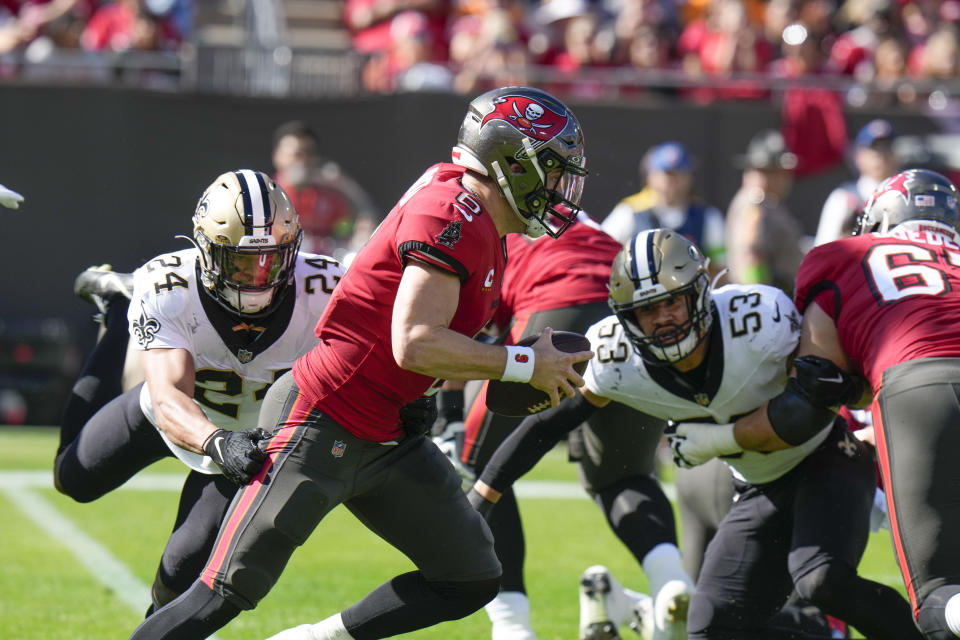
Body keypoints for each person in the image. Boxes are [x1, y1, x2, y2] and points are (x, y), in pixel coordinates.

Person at [127, 85, 594, 640]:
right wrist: (521, 363)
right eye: (554, 170)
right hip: (324, 421)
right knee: (220, 595)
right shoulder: (456, 217)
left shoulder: (472, 212)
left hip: (391, 430)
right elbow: (415, 342)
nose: (563, 188)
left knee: (469, 576)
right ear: (512, 167)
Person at [469, 228, 921, 640]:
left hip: (826, 459)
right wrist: (483, 495)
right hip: (760, 485)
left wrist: (718, 442)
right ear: (627, 318)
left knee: (820, 580)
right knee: (709, 629)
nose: (663, 318)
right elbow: (548, 424)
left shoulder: (758, 319)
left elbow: (810, 407)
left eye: (671, 301)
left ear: (699, 293)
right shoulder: (613, 356)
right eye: (647, 310)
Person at [54, 169, 345, 613]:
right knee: (72, 479)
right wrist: (214, 440)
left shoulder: (326, 287)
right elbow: (170, 395)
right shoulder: (171, 285)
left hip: (250, 440)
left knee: (182, 569)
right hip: (172, 415)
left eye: (271, 259)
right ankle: (119, 311)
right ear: (206, 249)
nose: (257, 277)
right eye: (242, 262)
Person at [713, 168, 960, 639]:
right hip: (922, 395)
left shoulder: (843, 255)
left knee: (938, 599)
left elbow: (818, 380)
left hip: (921, 387)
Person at [431, 212, 670, 640]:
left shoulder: (496, 228)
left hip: (554, 310)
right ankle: (670, 583)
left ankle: (512, 626)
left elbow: (459, 337)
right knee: (622, 475)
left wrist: (448, 415)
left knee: (478, 463)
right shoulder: (590, 228)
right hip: (628, 324)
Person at [602, 142, 726, 279]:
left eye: (679, 174)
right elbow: (601, 252)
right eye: (666, 174)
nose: (672, 181)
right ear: (649, 176)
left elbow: (720, 267)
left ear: (689, 177)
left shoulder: (708, 216)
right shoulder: (630, 211)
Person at [271, 120, 380, 262]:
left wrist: (356, 233)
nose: (302, 161)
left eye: (309, 153)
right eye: (296, 154)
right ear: (277, 156)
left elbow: (344, 227)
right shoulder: (267, 197)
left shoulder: (331, 194)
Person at [724, 129, 805, 294]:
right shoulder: (755, 205)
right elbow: (750, 256)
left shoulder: (766, 203)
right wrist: (760, 295)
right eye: (780, 173)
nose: (786, 179)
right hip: (766, 304)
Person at [813, 118, 899, 246]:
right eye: (874, 148)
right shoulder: (844, 198)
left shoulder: (905, 197)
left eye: (886, 148)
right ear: (859, 155)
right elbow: (822, 249)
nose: (881, 155)